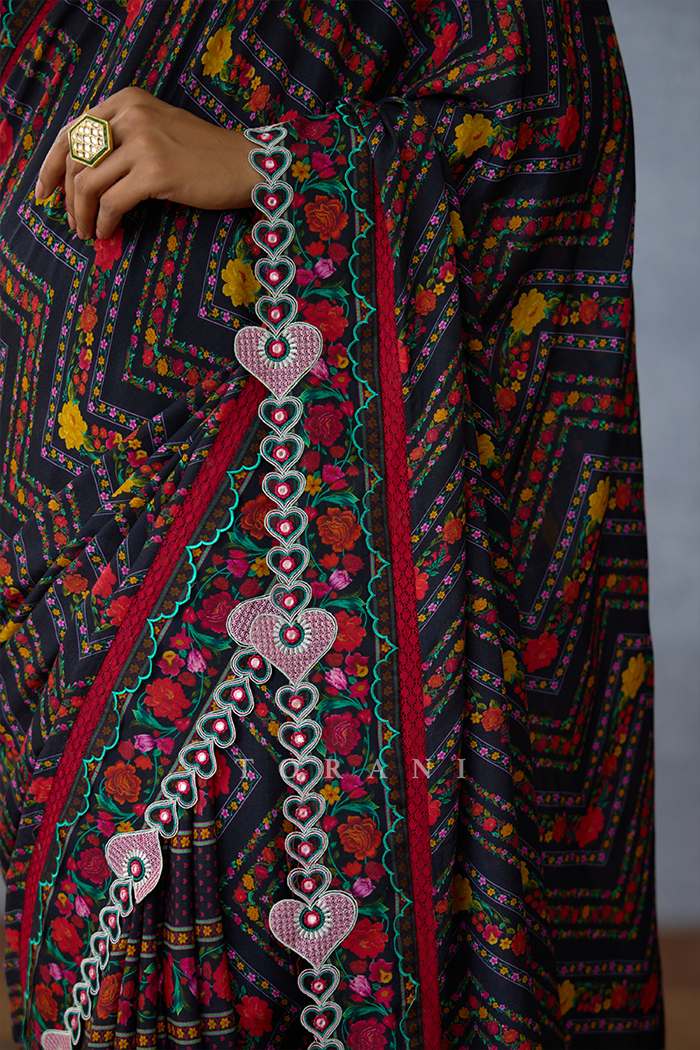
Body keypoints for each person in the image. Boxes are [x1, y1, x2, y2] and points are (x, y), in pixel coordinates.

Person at [0, 1, 663, 1047]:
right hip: (57, 532)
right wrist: (81, 140)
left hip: (290, 513)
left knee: (228, 946)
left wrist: (269, 166)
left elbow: (550, 120)